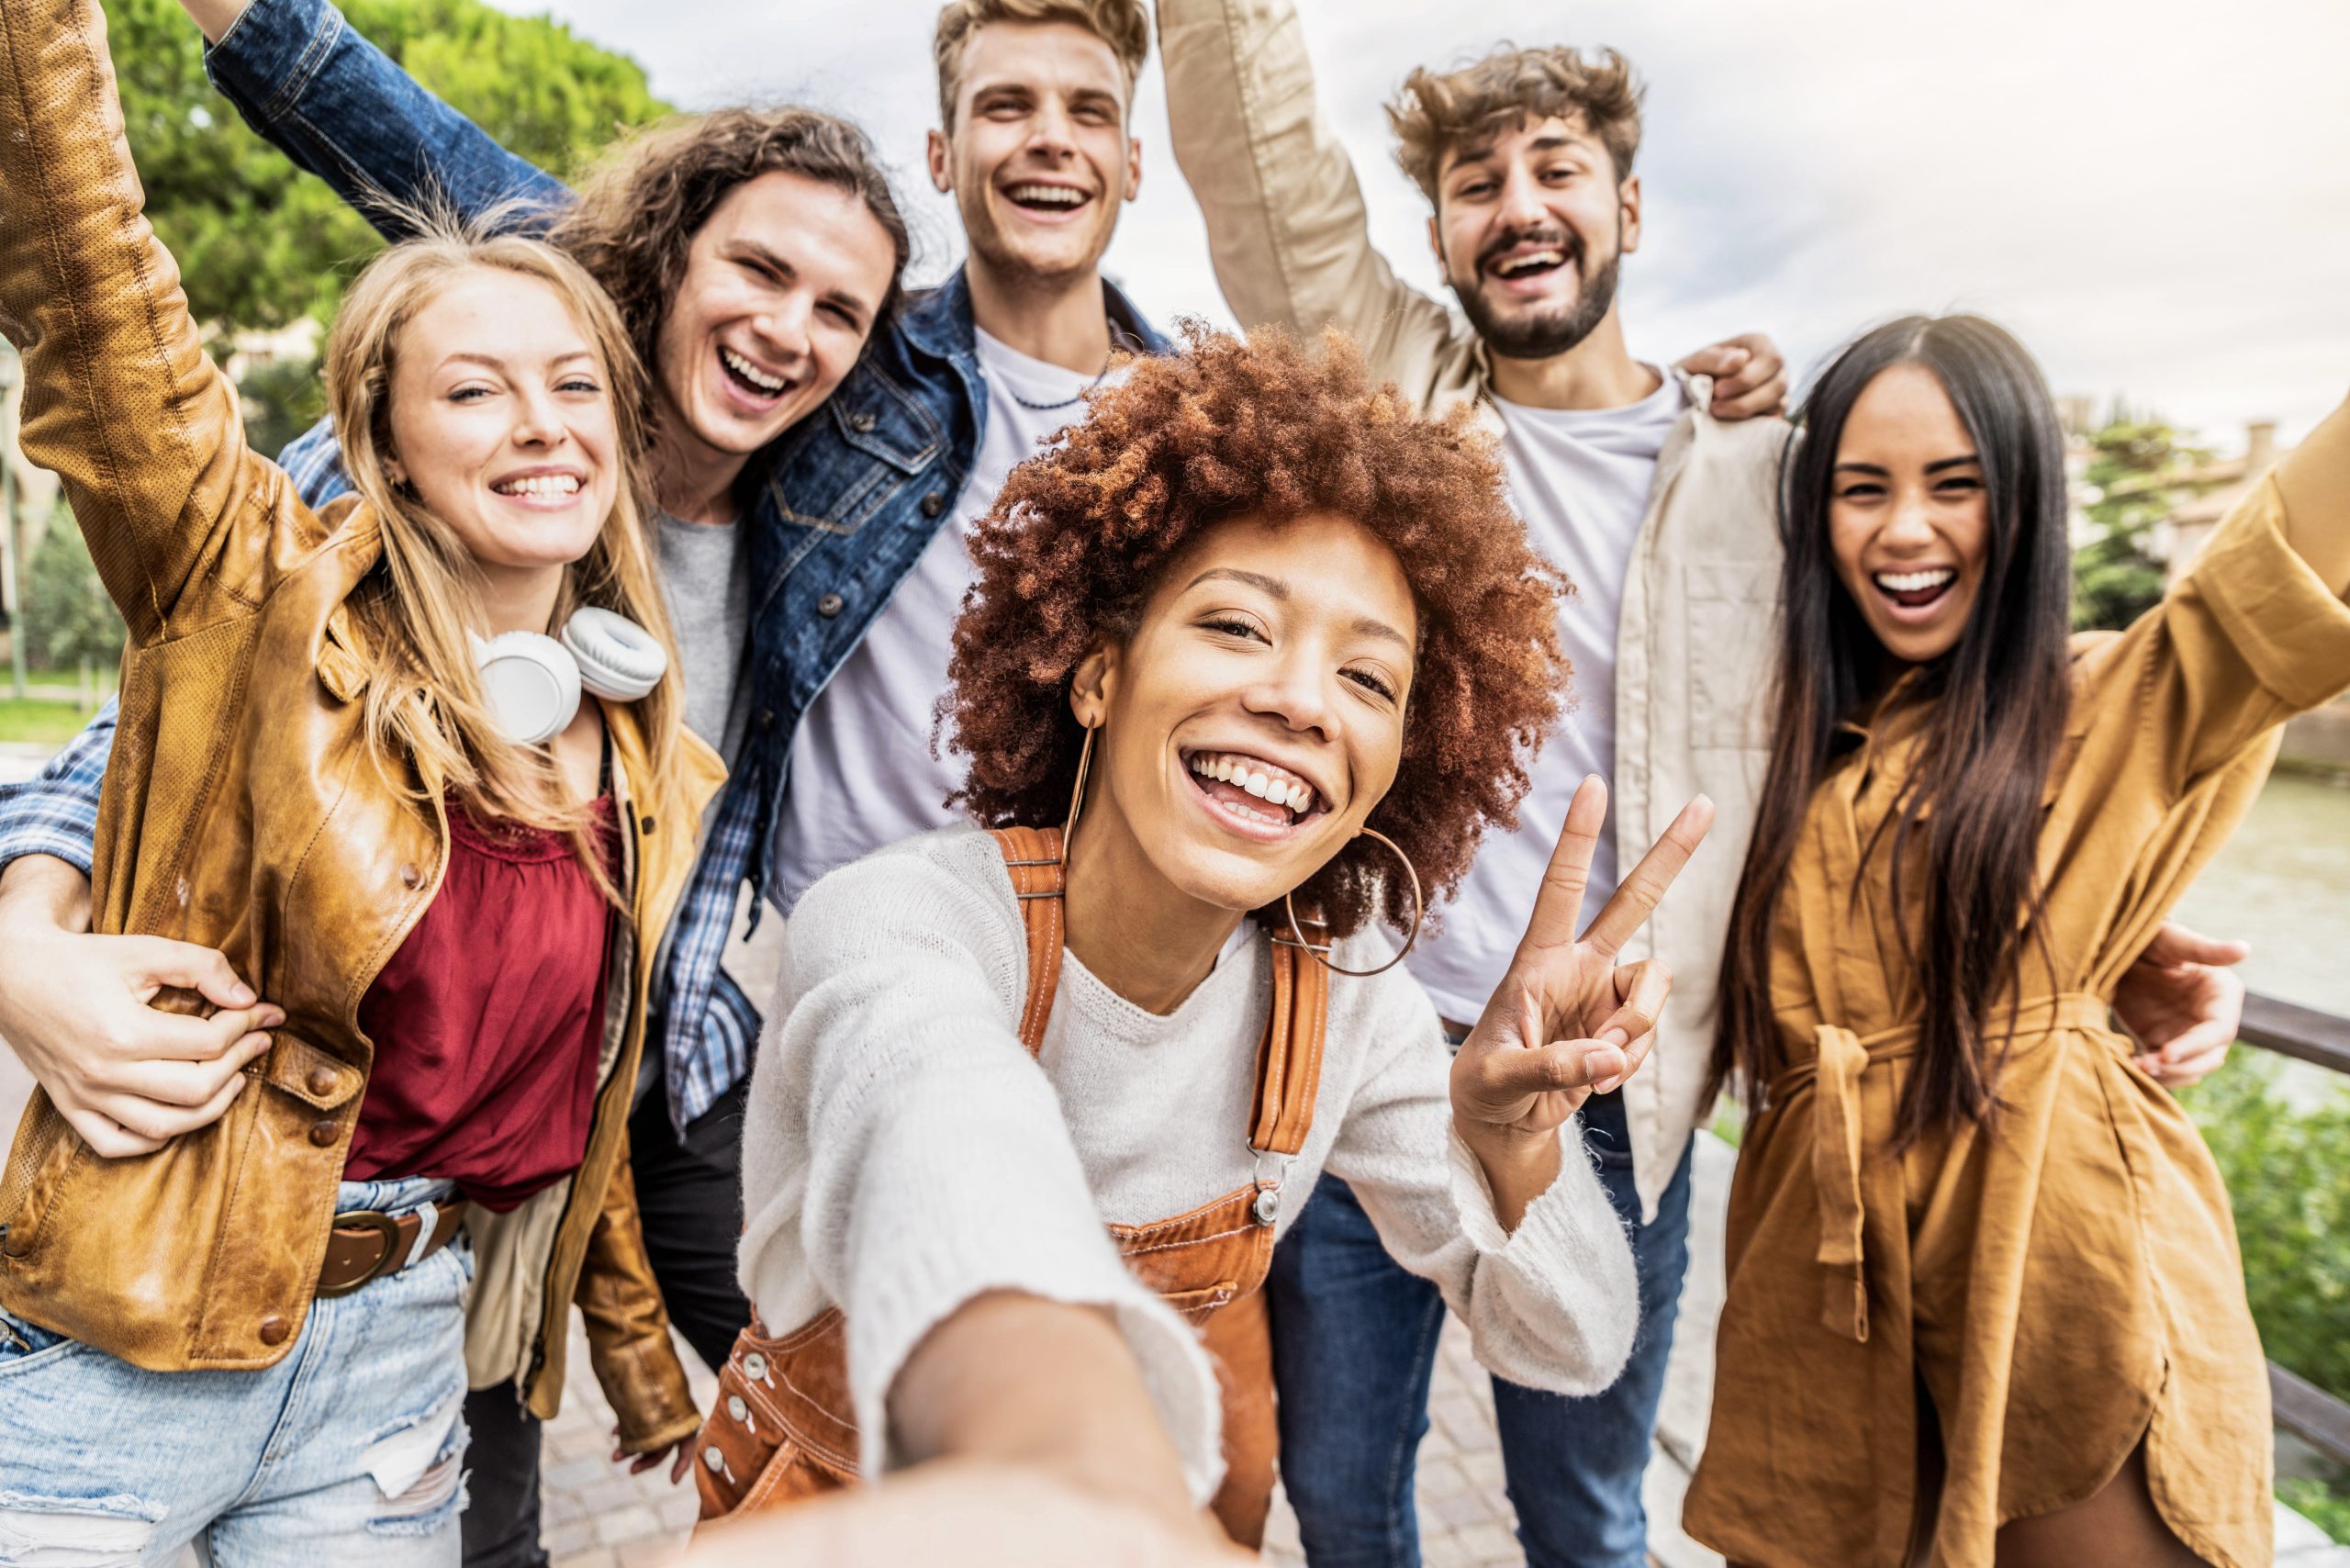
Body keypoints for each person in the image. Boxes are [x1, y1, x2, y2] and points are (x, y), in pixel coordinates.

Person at [1155, 10, 2254, 1565]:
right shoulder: (1398, 399)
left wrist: (2089, 919)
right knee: (1343, 1498)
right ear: (1440, 233)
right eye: (1477, 182)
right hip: (1371, 1055)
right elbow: (1260, 171)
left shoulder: (1774, 467)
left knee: (1588, 1513)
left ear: (1630, 209)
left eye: (1558, 168)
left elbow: (1914, 725)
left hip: (1624, 1085)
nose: (1519, 204)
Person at [0, 0, 913, 1553]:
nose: (542, 427)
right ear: (385, 444)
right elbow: (95, 291)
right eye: (475, 390)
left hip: (406, 1352)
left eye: (572, 390)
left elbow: (596, 1082)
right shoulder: (258, 597)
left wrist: (635, 1367)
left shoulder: (645, 751)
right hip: (138, 1321)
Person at [700, 325, 1710, 1551]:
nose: (1297, 700)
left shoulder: (1342, 1001)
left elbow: (1567, 1338)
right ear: (1096, 676)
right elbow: (945, 1132)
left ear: (1400, 762)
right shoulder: (900, 922)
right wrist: (1078, 1465)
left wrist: (1512, 1154)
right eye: (1236, 626)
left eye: (1370, 680)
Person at [1684, 319, 2350, 1568]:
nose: (1905, 531)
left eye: (1956, 484)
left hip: (2059, 1266)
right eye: (1860, 488)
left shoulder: (2108, 701)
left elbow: (2285, 559)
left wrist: (2092, 957)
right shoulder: (1785, 753)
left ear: (2028, 503)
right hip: (1820, 1304)